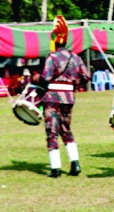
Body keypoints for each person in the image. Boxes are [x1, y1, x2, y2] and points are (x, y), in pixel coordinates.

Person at [41, 15, 91, 178]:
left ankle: (55, 168)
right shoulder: (75, 57)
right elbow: (86, 76)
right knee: (66, 129)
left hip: (53, 97)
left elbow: (46, 78)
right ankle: (75, 163)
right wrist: (74, 83)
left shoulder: (52, 57)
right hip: (69, 97)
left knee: (52, 131)